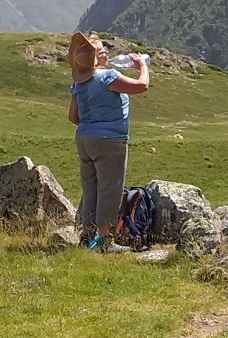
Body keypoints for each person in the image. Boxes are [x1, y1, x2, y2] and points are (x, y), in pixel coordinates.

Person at [68, 32, 151, 252]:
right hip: (110, 140)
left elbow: (73, 117)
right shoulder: (108, 77)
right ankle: (104, 240)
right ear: (97, 58)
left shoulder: (79, 83)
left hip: (84, 139)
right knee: (109, 188)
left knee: (90, 187)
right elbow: (141, 86)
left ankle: (87, 235)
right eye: (102, 52)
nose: (107, 53)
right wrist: (142, 66)